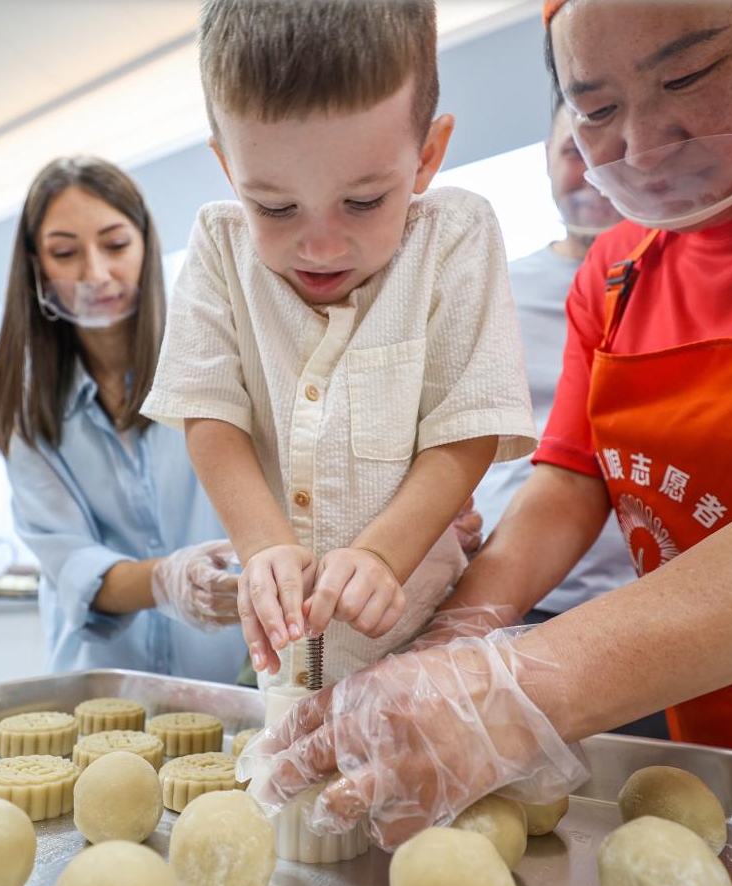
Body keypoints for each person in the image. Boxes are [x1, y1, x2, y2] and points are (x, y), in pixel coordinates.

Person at [238, 0, 732, 848]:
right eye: (596, 109)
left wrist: (512, 689)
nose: (642, 143)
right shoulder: (614, 272)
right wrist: (452, 643)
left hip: (645, 663)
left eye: (687, 76)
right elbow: (570, 481)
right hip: (706, 730)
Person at [142, 0, 537, 688]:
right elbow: (211, 415)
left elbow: (466, 428)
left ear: (427, 155)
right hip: (287, 657)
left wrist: (383, 555)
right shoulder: (218, 246)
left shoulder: (455, 236)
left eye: (363, 202)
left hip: (423, 644)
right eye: (275, 207)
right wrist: (262, 543)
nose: (320, 246)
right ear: (229, 169)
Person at [0, 156, 247, 681]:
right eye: (65, 253)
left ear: (147, 245)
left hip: (227, 679)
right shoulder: (29, 416)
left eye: (116, 245)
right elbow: (72, 565)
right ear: (37, 267)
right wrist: (168, 579)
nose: (95, 275)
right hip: (97, 687)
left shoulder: (214, 362)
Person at [473, 100, 633, 624]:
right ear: (545, 156)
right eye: (574, 151)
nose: (596, 172)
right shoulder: (491, 291)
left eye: (618, 154)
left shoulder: (687, 286)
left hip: (655, 594)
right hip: (514, 595)